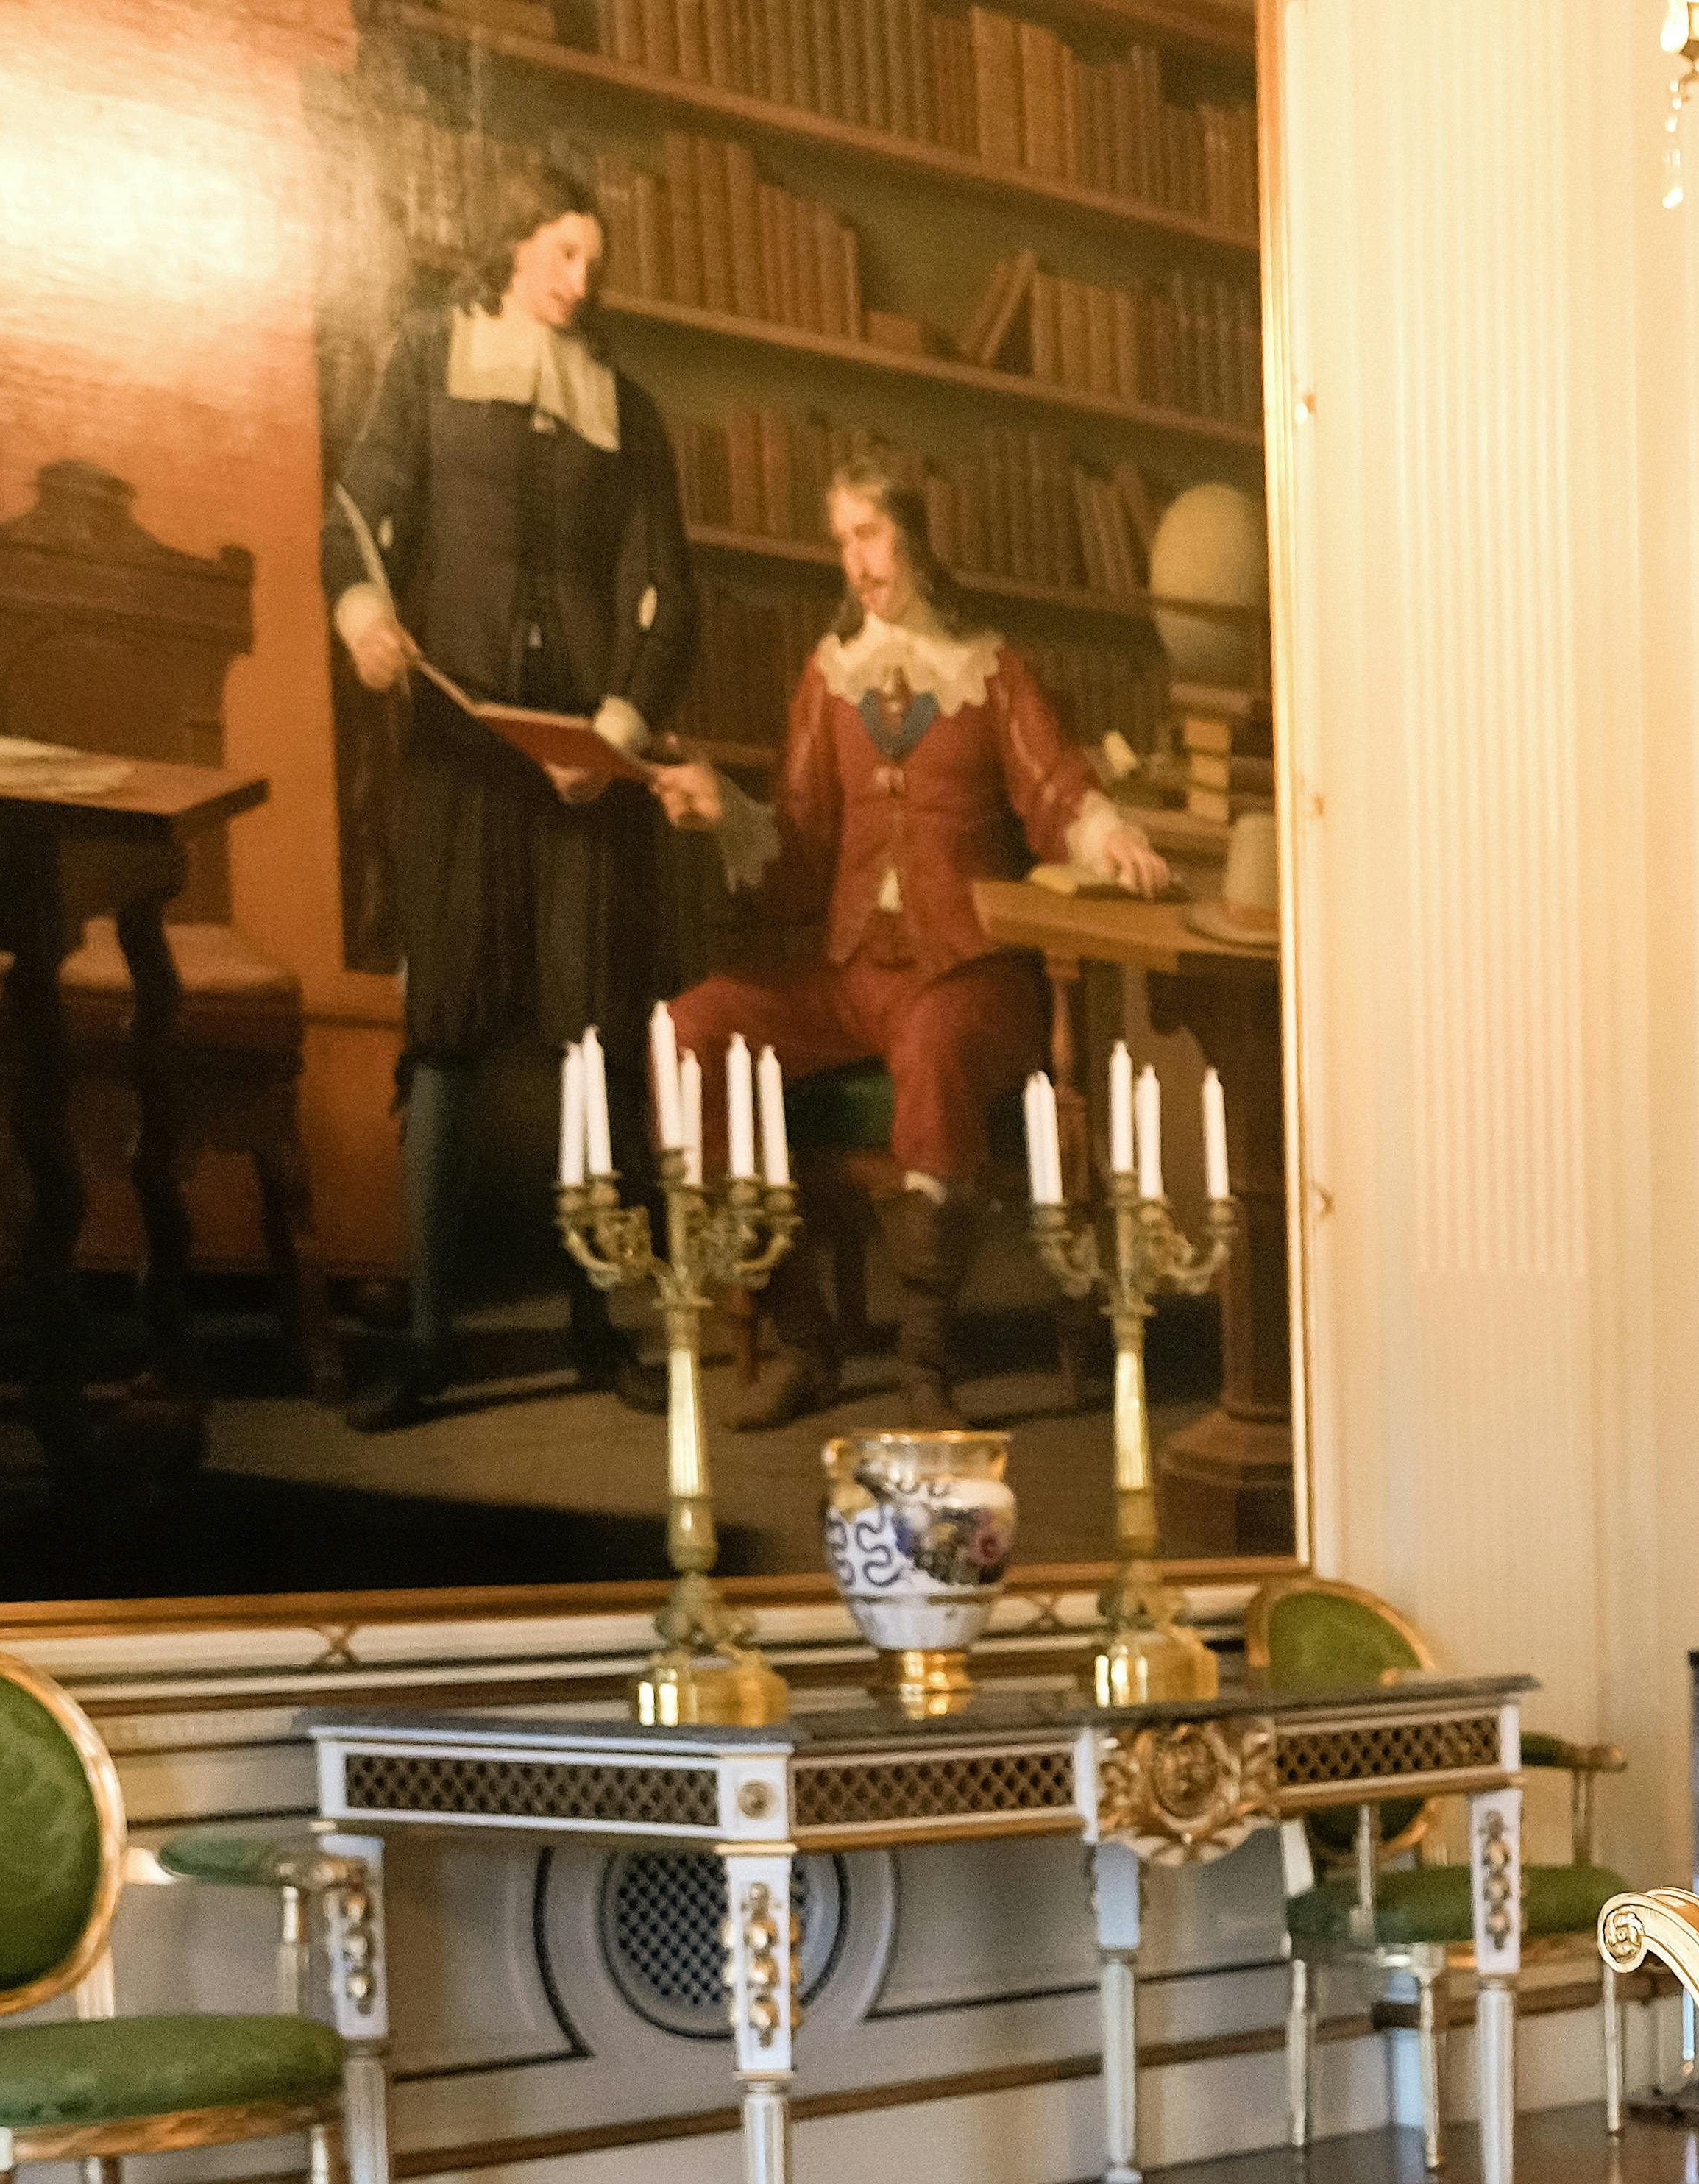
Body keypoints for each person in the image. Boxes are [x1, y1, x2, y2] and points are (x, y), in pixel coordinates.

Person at [657, 452, 1171, 1425]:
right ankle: (806, 1339)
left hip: (969, 976)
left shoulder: (992, 668)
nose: (856, 561)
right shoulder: (830, 676)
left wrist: (1112, 838)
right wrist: (722, 809)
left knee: (934, 1052)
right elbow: (801, 844)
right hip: (852, 973)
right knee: (688, 1032)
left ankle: (928, 1363)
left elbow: (1056, 788)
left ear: (917, 537)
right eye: (841, 540)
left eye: (872, 534)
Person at [324, 155, 695, 1431]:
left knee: (591, 1034)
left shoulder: (626, 407)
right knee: (448, 1035)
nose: (580, 282)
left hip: (582, 767)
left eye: (593, 261)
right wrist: (364, 610)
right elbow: (360, 510)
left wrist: (618, 729)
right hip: (461, 744)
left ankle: (599, 1327)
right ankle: (429, 1341)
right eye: (560, 255)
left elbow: (668, 593)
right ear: (511, 247)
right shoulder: (429, 357)